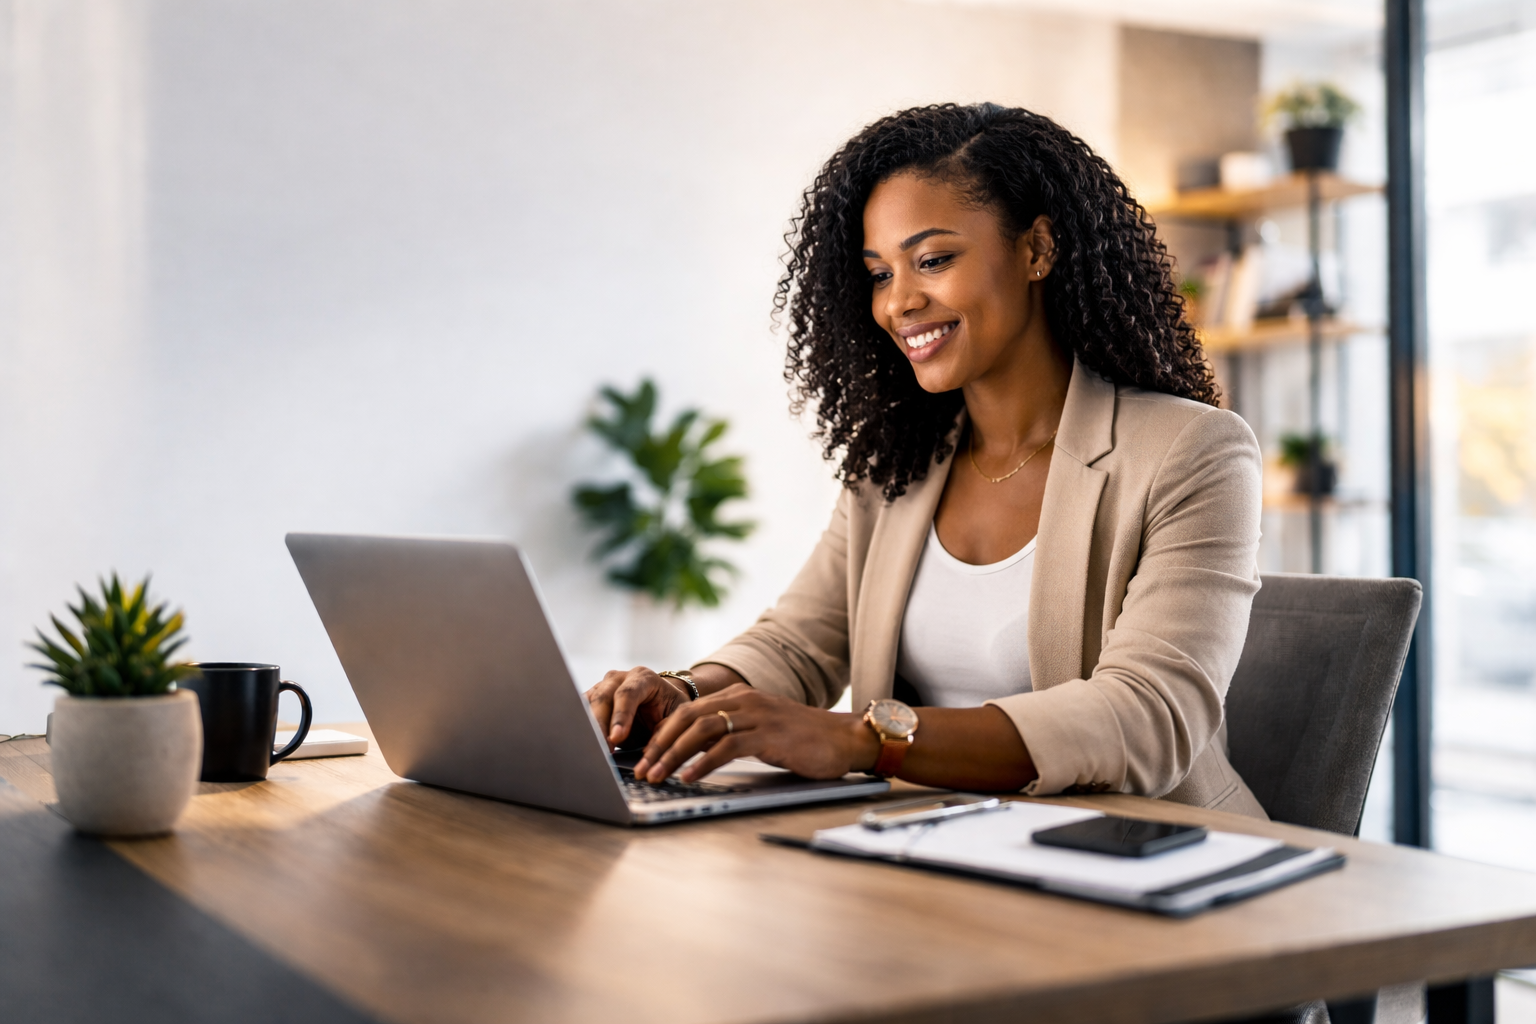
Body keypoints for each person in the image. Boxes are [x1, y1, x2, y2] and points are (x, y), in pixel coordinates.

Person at [585, 102, 1266, 817]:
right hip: (928, 847)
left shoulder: (1193, 452)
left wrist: (864, 739)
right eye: (880, 274)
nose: (900, 303)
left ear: (1037, 250)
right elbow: (801, 643)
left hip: (1145, 862)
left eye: (933, 260)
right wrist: (687, 693)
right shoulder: (898, 464)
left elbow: (1146, 718)